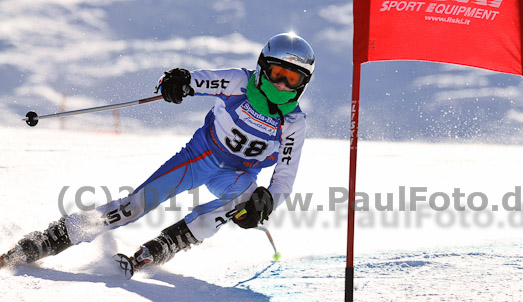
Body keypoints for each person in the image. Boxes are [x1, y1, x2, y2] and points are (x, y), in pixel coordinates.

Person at [0, 32, 315, 277]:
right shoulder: (239, 82)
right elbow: (198, 81)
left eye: (292, 79)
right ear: (262, 66)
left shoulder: (294, 122)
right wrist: (178, 82)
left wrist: (267, 202)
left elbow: (284, 177)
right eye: (276, 73)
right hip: (199, 157)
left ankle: (172, 241)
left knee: (244, 200)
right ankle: (53, 237)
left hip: (236, 175)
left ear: (303, 84)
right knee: (136, 205)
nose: (281, 84)